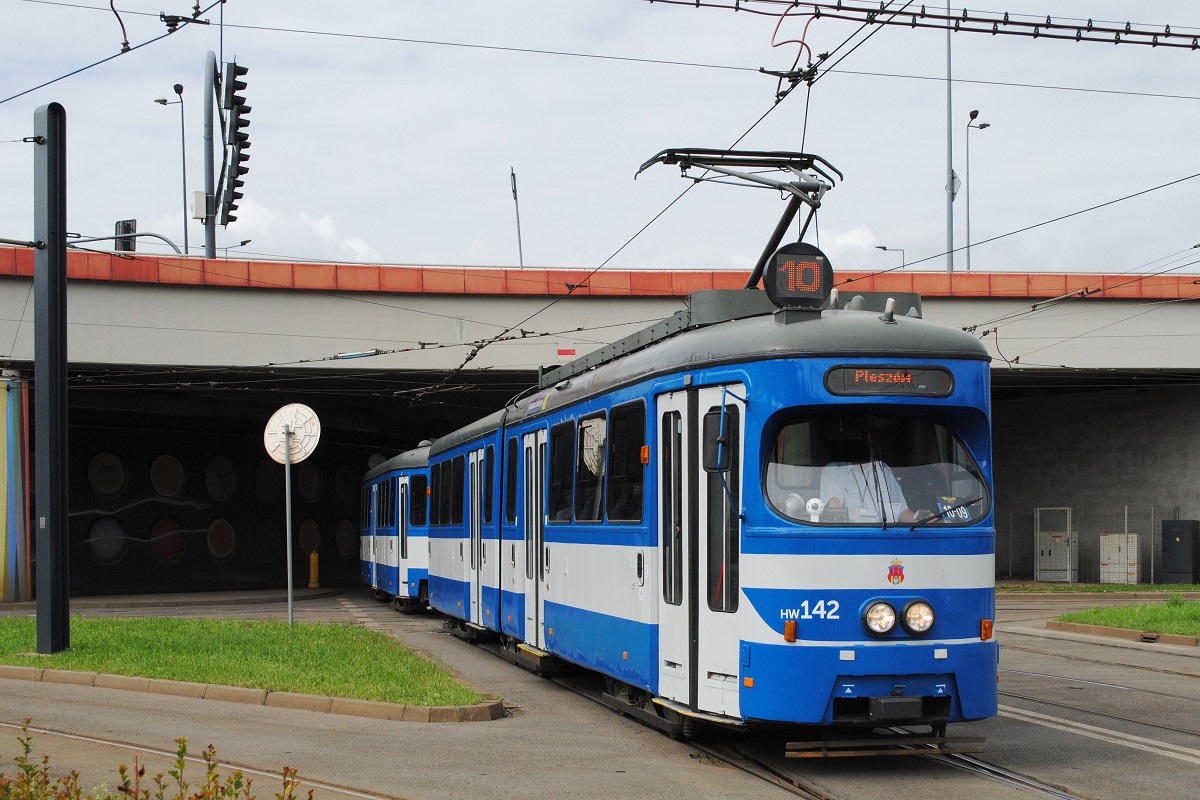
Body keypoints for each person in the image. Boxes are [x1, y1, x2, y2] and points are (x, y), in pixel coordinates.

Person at [820, 455, 920, 524]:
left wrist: (924, 521)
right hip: (853, 537)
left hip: (885, 534)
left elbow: (901, 512)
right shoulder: (834, 470)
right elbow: (835, 510)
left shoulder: (883, 470)